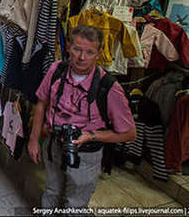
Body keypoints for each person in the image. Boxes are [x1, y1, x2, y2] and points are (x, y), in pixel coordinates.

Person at [27, 25, 136, 209]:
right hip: (54, 145)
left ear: (99, 54)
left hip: (86, 155)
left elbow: (129, 134)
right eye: (77, 49)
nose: (82, 57)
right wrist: (34, 140)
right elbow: (41, 104)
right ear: (68, 46)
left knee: (75, 204)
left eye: (89, 52)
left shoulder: (108, 87)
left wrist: (92, 136)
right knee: (52, 191)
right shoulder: (56, 70)